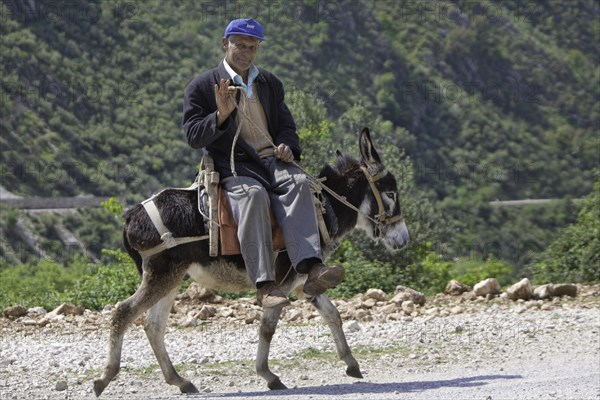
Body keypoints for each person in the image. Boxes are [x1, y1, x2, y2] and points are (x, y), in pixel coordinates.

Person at [182, 18, 344, 308]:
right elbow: (193, 135)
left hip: (273, 161)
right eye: (240, 45)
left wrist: (288, 147)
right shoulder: (202, 85)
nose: (246, 52)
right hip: (235, 165)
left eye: (252, 47)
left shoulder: (268, 82)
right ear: (225, 43)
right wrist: (218, 117)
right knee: (253, 196)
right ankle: (265, 285)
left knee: (297, 183)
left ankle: (311, 266)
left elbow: (286, 126)